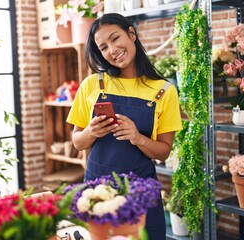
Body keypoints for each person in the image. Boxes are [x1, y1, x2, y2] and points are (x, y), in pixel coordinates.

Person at [66, 13, 183, 240]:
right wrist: (91, 132)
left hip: (141, 191)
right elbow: (77, 142)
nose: (112, 49)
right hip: (97, 192)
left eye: (115, 38)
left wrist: (137, 137)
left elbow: (163, 151)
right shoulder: (92, 84)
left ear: (131, 33)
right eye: (103, 47)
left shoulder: (164, 91)